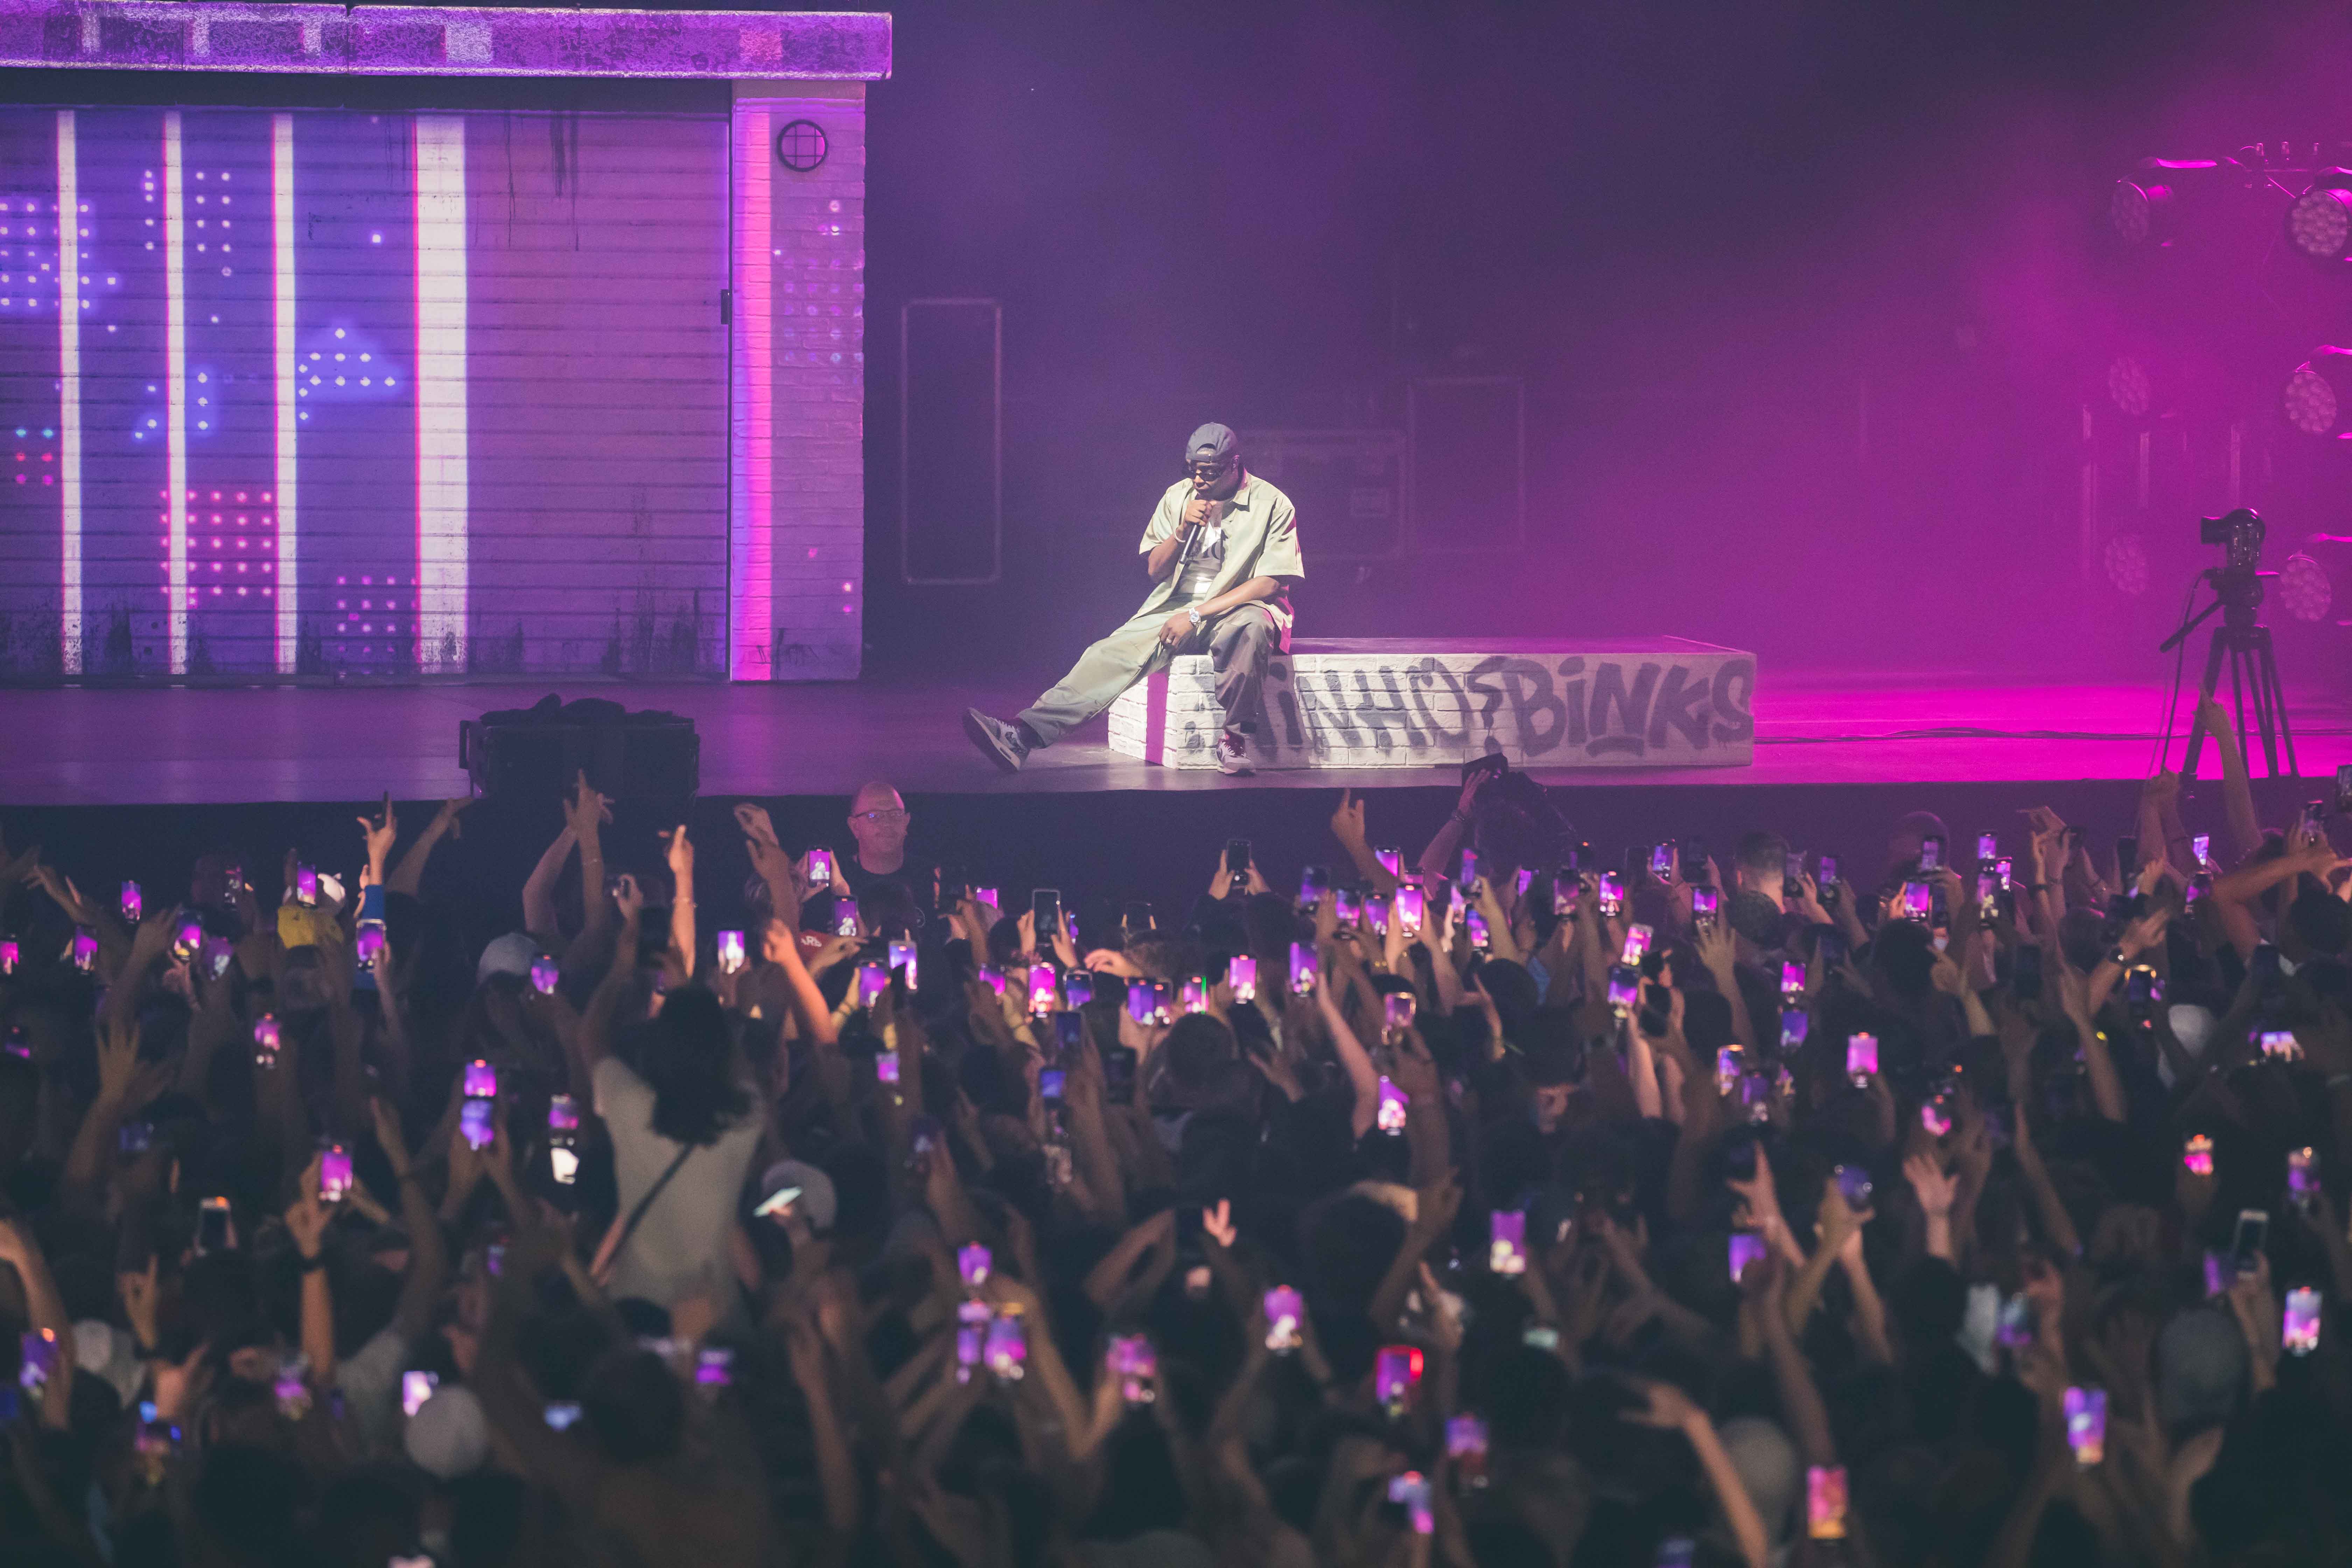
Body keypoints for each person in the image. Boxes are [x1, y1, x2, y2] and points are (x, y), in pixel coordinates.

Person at [963, 421, 1303, 776]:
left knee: (1251, 629)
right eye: (1193, 470)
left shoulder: (1272, 503)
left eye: (1210, 472)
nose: (1199, 480)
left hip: (1239, 606)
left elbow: (1269, 583)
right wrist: (1182, 531)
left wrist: (1197, 616)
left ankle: (1233, 740)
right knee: (1108, 654)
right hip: (1176, 605)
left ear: (1234, 465)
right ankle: (1023, 735)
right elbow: (1156, 570)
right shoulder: (1178, 497)